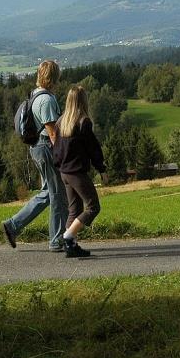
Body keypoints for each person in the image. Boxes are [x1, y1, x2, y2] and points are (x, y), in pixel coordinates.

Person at [1, 60, 68, 251]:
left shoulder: (35, 94)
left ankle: (12, 226)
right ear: (54, 77)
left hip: (37, 148)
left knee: (48, 193)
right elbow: (52, 132)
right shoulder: (46, 100)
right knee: (57, 195)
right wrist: (63, 155)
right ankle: (57, 241)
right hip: (46, 148)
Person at [52, 85, 107, 258]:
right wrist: (102, 169)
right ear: (83, 101)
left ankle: (71, 246)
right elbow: (93, 149)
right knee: (93, 207)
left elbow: (57, 149)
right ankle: (67, 237)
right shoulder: (84, 122)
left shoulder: (62, 121)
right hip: (76, 173)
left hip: (64, 172)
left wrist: (60, 166)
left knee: (74, 210)